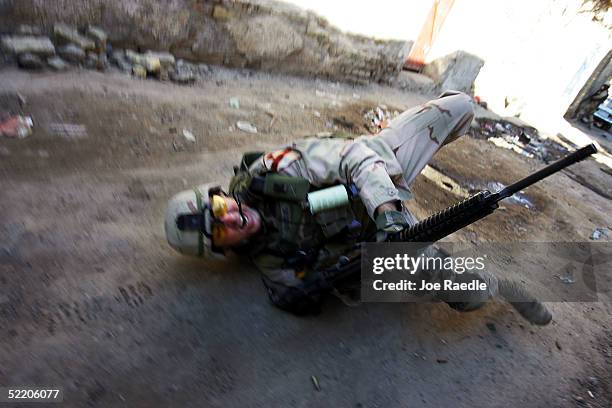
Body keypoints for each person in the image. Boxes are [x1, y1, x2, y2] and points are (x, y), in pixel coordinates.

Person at [164, 91, 551, 324]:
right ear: (223, 248)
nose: (231, 217)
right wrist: (314, 292)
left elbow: (354, 155)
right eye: (220, 229)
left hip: (376, 171)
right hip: (376, 243)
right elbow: (327, 289)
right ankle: (504, 286)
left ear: (219, 194)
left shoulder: (272, 172)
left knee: (461, 106)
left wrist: (388, 212)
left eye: (219, 207)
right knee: (472, 293)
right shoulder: (273, 264)